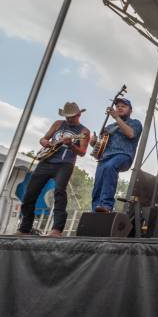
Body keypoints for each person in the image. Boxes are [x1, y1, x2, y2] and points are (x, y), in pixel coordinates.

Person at [17, 102, 90, 237]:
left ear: (79, 115)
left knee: (59, 192)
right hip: (46, 161)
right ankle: (24, 228)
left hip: (65, 164)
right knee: (30, 193)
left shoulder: (84, 132)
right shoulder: (58, 123)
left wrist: (71, 145)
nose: (68, 119)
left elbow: (82, 152)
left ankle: (57, 229)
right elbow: (43, 139)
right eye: (67, 116)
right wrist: (44, 141)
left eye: (71, 116)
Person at [90, 98, 142, 213]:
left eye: (123, 106)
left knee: (110, 167)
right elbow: (100, 148)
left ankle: (107, 205)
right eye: (117, 106)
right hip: (104, 158)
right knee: (98, 184)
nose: (119, 107)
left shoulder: (135, 123)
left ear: (130, 110)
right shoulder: (109, 127)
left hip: (123, 155)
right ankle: (96, 210)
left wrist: (116, 118)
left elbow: (131, 134)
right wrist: (94, 144)